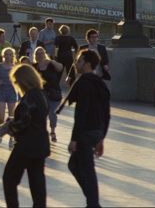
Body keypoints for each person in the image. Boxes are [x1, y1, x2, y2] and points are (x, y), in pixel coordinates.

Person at [0, 64, 50, 208]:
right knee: (37, 184)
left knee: (9, 179)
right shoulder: (42, 94)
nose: (16, 85)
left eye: (16, 82)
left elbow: (23, 123)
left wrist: (6, 127)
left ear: (23, 81)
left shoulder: (29, 97)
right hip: (41, 144)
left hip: (26, 145)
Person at [65, 49, 111, 207]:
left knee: (87, 170)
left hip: (86, 133)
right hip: (96, 131)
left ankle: (93, 204)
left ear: (88, 64)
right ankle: (93, 201)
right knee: (74, 165)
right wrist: (101, 137)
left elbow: (81, 113)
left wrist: (74, 139)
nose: (76, 64)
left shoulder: (85, 83)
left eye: (79, 61)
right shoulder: (100, 83)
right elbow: (107, 114)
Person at [32, 46, 63, 142]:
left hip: (54, 93)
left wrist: (52, 61)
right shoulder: (34, 67)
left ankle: (53, 131)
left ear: (45, 54)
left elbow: (60, 68)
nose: (40, 55)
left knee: (52, 113)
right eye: (38, 54)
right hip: (41, 95)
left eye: (42, 53)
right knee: (42, 115)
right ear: (35, 56)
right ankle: (43, 132)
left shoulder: (51, 65)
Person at [0, 47, 18, 148]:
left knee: (11, 117)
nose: (8, 56)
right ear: (3, 56)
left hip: (11, 92)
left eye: (9, 54)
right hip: (1, 92)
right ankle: (0, 134)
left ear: (12, 56)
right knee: (1, 117)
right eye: (6, 54)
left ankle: (11, 138)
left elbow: (18, 80)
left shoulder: (14, 67)